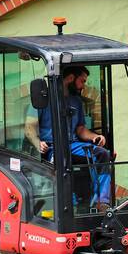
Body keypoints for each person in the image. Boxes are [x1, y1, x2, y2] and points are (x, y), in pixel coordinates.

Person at [31, 64, 113, 208]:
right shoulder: (43, 100)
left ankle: (102, 201)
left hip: (73, 145)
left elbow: (80, 129)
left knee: (103, 154)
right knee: (60, 157)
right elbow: (29, 127)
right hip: (52, 147)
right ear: (70, 78)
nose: (83, 86)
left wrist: (94, 137)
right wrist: (37, 142)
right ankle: (70, 204)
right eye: (82, 81)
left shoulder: (76, 102)